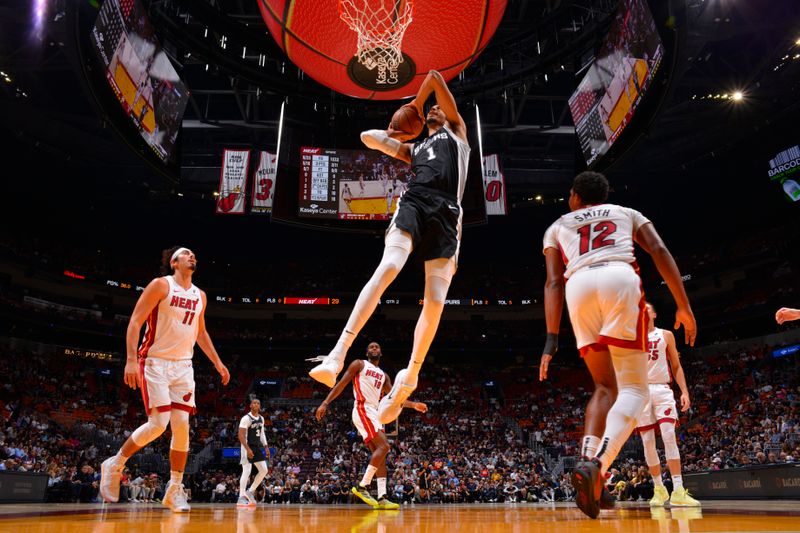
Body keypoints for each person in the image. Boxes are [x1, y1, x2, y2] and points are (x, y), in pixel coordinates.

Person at [308, 69, 470, 425]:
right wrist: (398, 129)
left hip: (447, 209)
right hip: (415, 199)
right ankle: (337, 354)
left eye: (437, 110)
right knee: (390, 266)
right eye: (429, 112)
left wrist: (416, 102)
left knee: (436, 300)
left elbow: (435, 78)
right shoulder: (414, 149)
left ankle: (410, 375)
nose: (434, 112)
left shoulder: (457, 133)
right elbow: (368, 138)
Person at [539, 171, 696, 519]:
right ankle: (598, 464)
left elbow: (552, 282)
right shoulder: (627, 212)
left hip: (577, 286)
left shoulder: (557, 225)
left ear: (577, 197)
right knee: (636, 390)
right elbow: (658, 249)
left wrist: (551, 339)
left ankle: (589, 466)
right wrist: (683, 305)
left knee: (604, 386)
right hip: (618, 278)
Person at [99, 246, 230, 512]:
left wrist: (218, 362)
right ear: (174, 262)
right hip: (155, 362)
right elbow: (135, 322)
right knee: (159, 425)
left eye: (194, 254)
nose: (192, 256)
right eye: (186, 253)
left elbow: (201, 333)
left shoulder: (200, 295)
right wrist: (132, 360)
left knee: (182, 427)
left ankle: (174, 488)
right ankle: (115, 463)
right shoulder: (161, 285)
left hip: (183, 366)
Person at [314, 342, 427, 509]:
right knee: (385, 446)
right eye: (371, 347)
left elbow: (395, 397)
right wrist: (325, 402)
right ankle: (362, 486)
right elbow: (341, 384)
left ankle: (382, 497)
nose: (374, 348)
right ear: (367, 352)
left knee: (380, 454)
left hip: (375, 413)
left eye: (377, 347)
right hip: (362, 408)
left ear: (380, 353)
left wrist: (414, 405)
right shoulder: (359, 364)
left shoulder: (384, 376)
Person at [636, 303, 700, 507]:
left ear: (654, 313)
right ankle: (659, 489)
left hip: (662, 389)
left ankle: (679, 490)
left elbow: (676, 365)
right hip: (641, 393)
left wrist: (685, 391)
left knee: (668, 436)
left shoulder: (666, 334)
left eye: (646, 307)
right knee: (647, 442)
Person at [237, 398, 270, 507]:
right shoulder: (246, 418)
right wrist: (247, 449)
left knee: (264, 470)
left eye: (258, 403)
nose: (256, 404)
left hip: (256, 447)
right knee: (247, 470)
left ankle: (250, 491)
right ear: (250, 405)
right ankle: (241, 497)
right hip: (247, 447)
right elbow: (241, 435)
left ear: (260, 406)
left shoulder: (261, 418)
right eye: (254, 403)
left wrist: (266, 447)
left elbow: (262, 434)